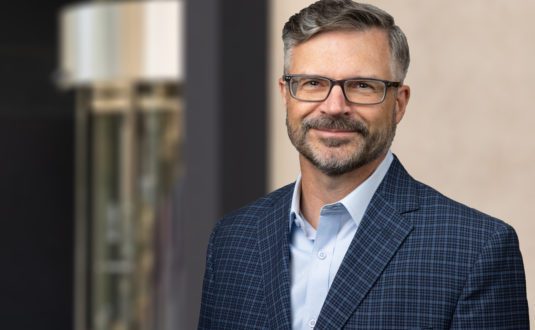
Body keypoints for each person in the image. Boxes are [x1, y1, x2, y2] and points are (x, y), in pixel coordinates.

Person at [198, 0, 530, 329]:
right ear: (286, 94)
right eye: (313, 82)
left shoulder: (475, 251)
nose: (334, 106)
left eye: (361, 86)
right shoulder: (231, 240)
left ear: (398, 104)